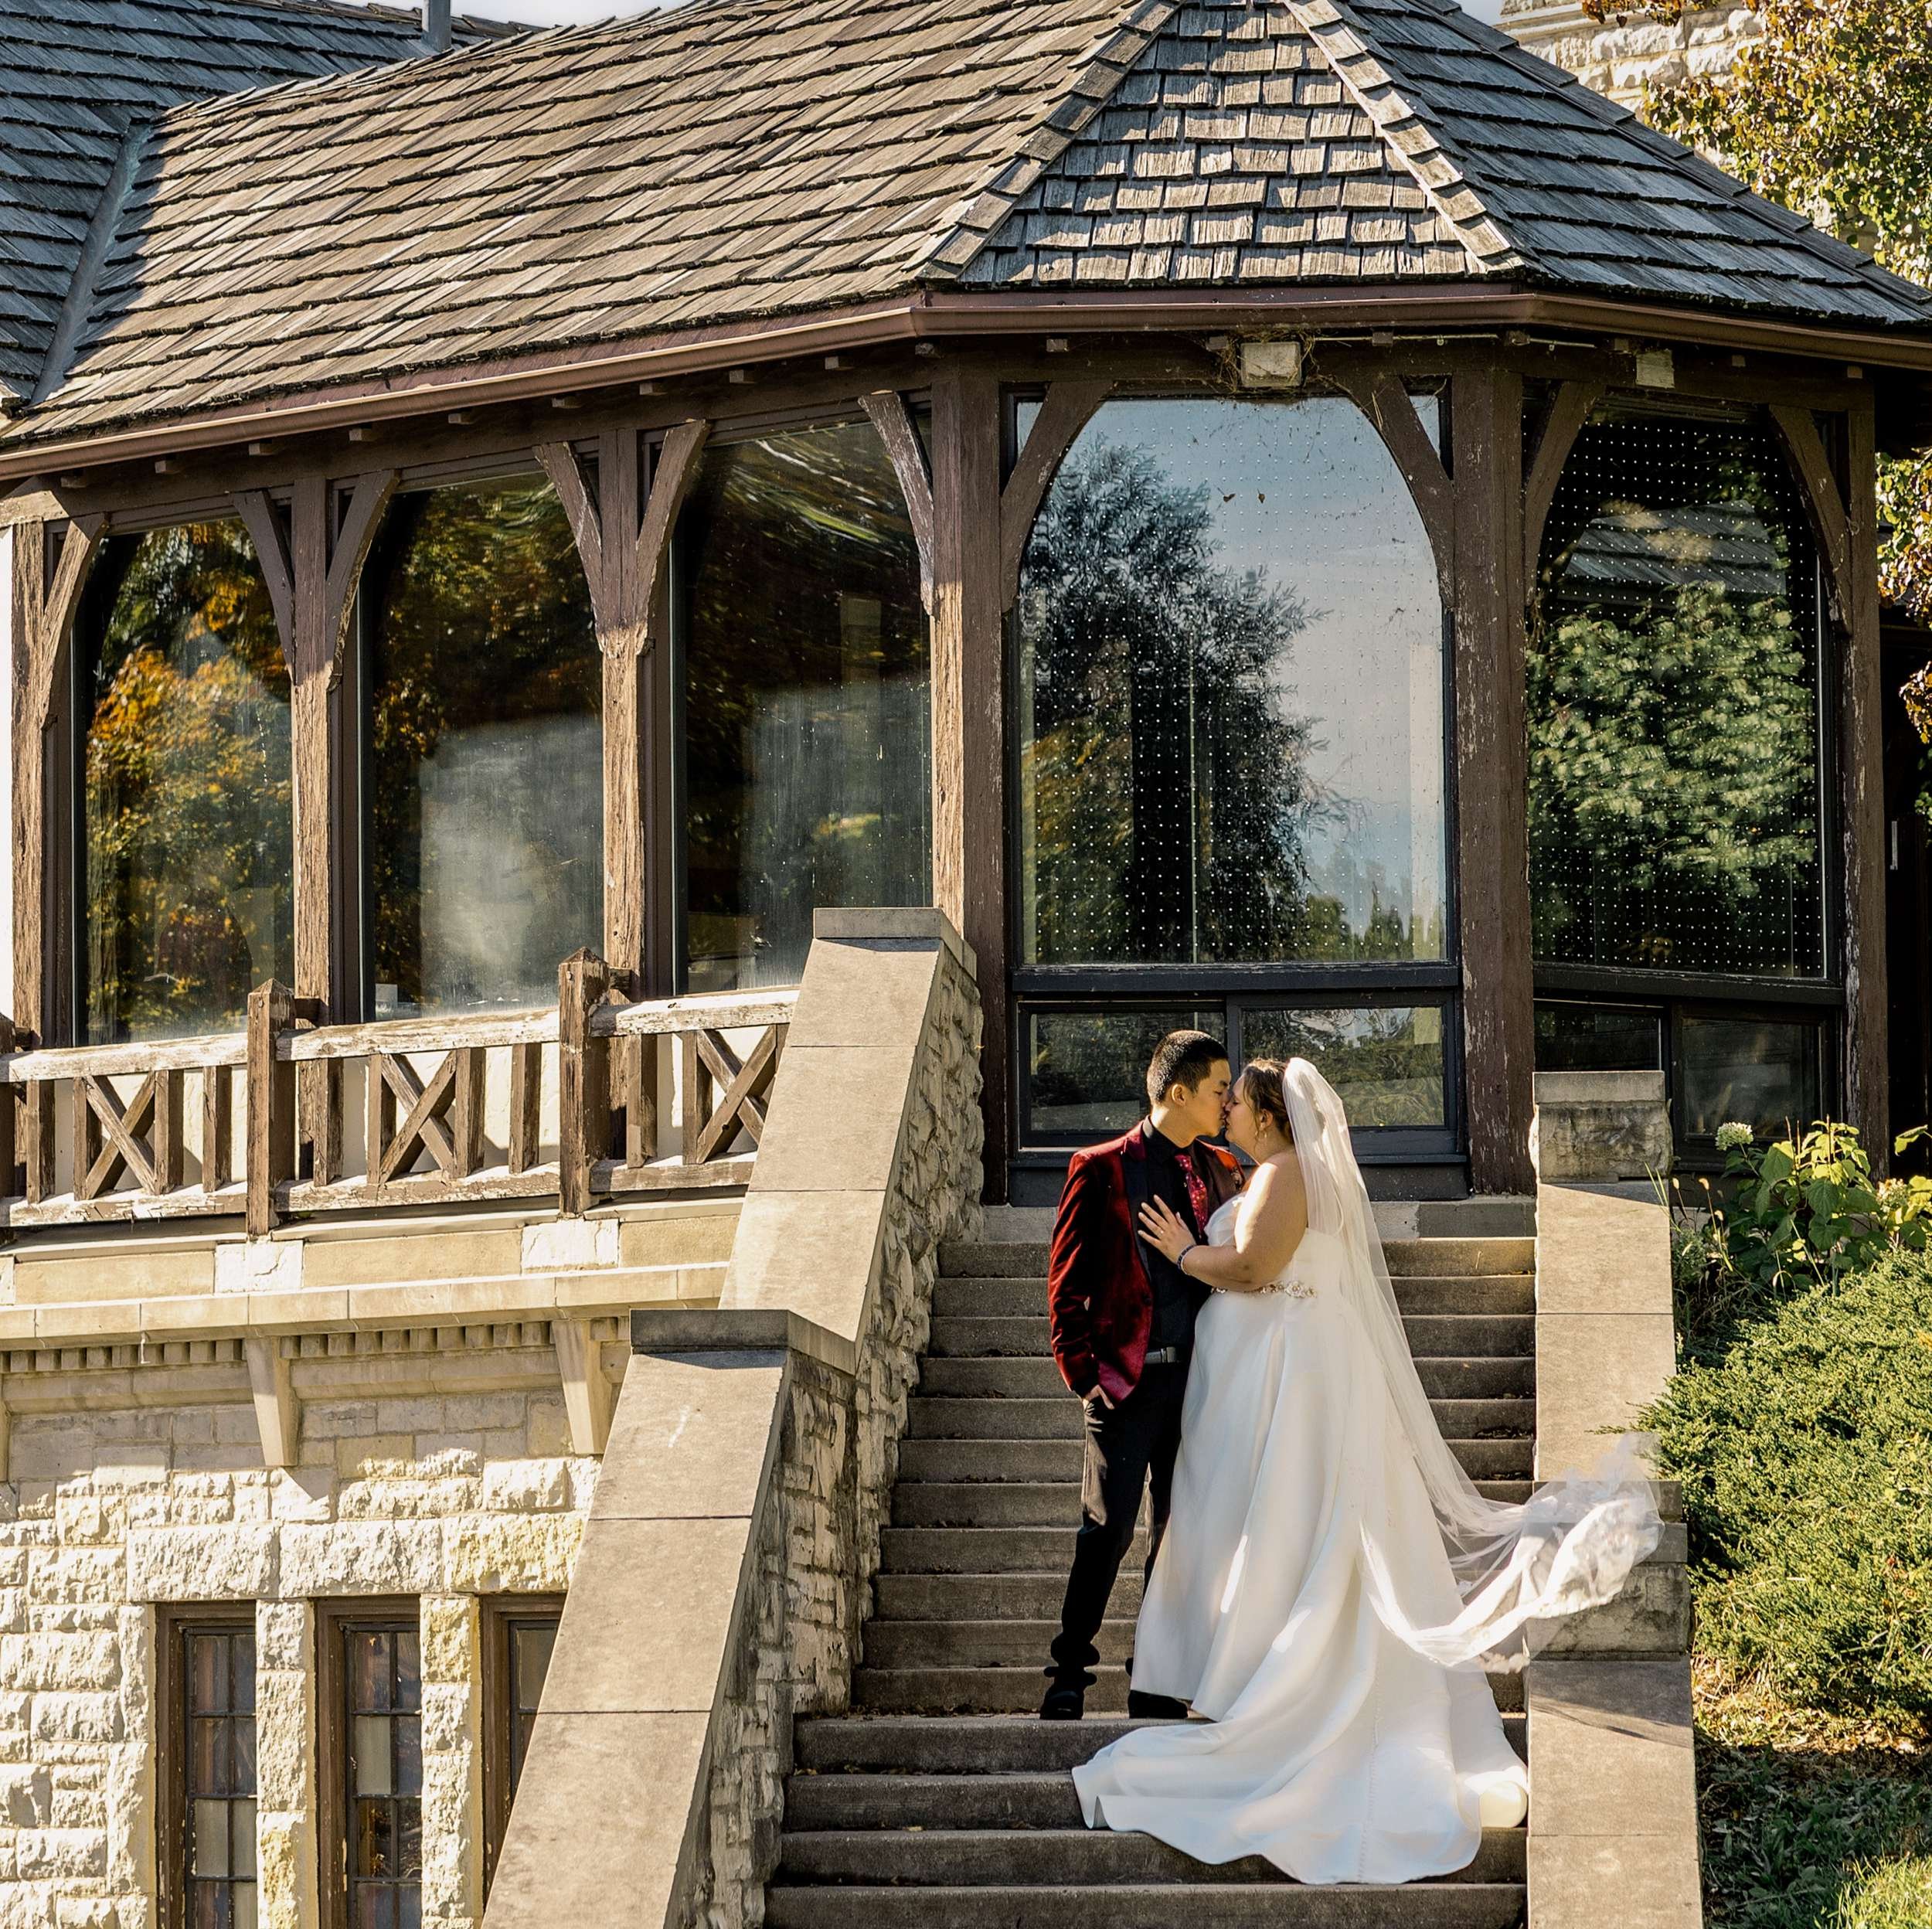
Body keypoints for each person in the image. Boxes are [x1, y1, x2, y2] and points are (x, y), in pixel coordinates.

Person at [1072, 1057, 1662, 1883]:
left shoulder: (1283, 1175)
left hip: (1294, 1381)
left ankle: (1281, 1689)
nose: (1228, 1113)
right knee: (1279, 1528)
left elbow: (1253, 1269)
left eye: (1237, 1102)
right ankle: (1247, 1669)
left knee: (1296, 1524)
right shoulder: (1273, 1169)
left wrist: (1179, 1251)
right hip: (1274, 1374)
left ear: (1271, 1117)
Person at [1039, 1030, 1244, 1721]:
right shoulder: (1098, 1167)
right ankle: (1068, 1672)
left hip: (1203, 1386)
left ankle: (1154, 1679)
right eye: (1219, 1087)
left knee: (1179, 1535)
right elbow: (1065, 1285)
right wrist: (1083, 1375)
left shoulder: (1222, 1167)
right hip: (1125, 1385)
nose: (1228, 1100)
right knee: (1108, 1529)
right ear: (1179, 1092)